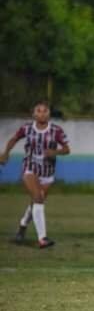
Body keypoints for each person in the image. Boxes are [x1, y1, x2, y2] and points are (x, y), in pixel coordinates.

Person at [0, 100, 71, 248]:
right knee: (38, 198)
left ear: (49, 114)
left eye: (45, 110)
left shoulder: (56, 131)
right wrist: (6, 153)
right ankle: (42, 238)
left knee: (36, 201)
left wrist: (56, 152)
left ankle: (22, 226)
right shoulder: (26, 129)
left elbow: (67, 149)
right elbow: (14, 139)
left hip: (48, 172)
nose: (42, 113)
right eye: (38, 110)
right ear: (33, 114)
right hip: (30, 167)